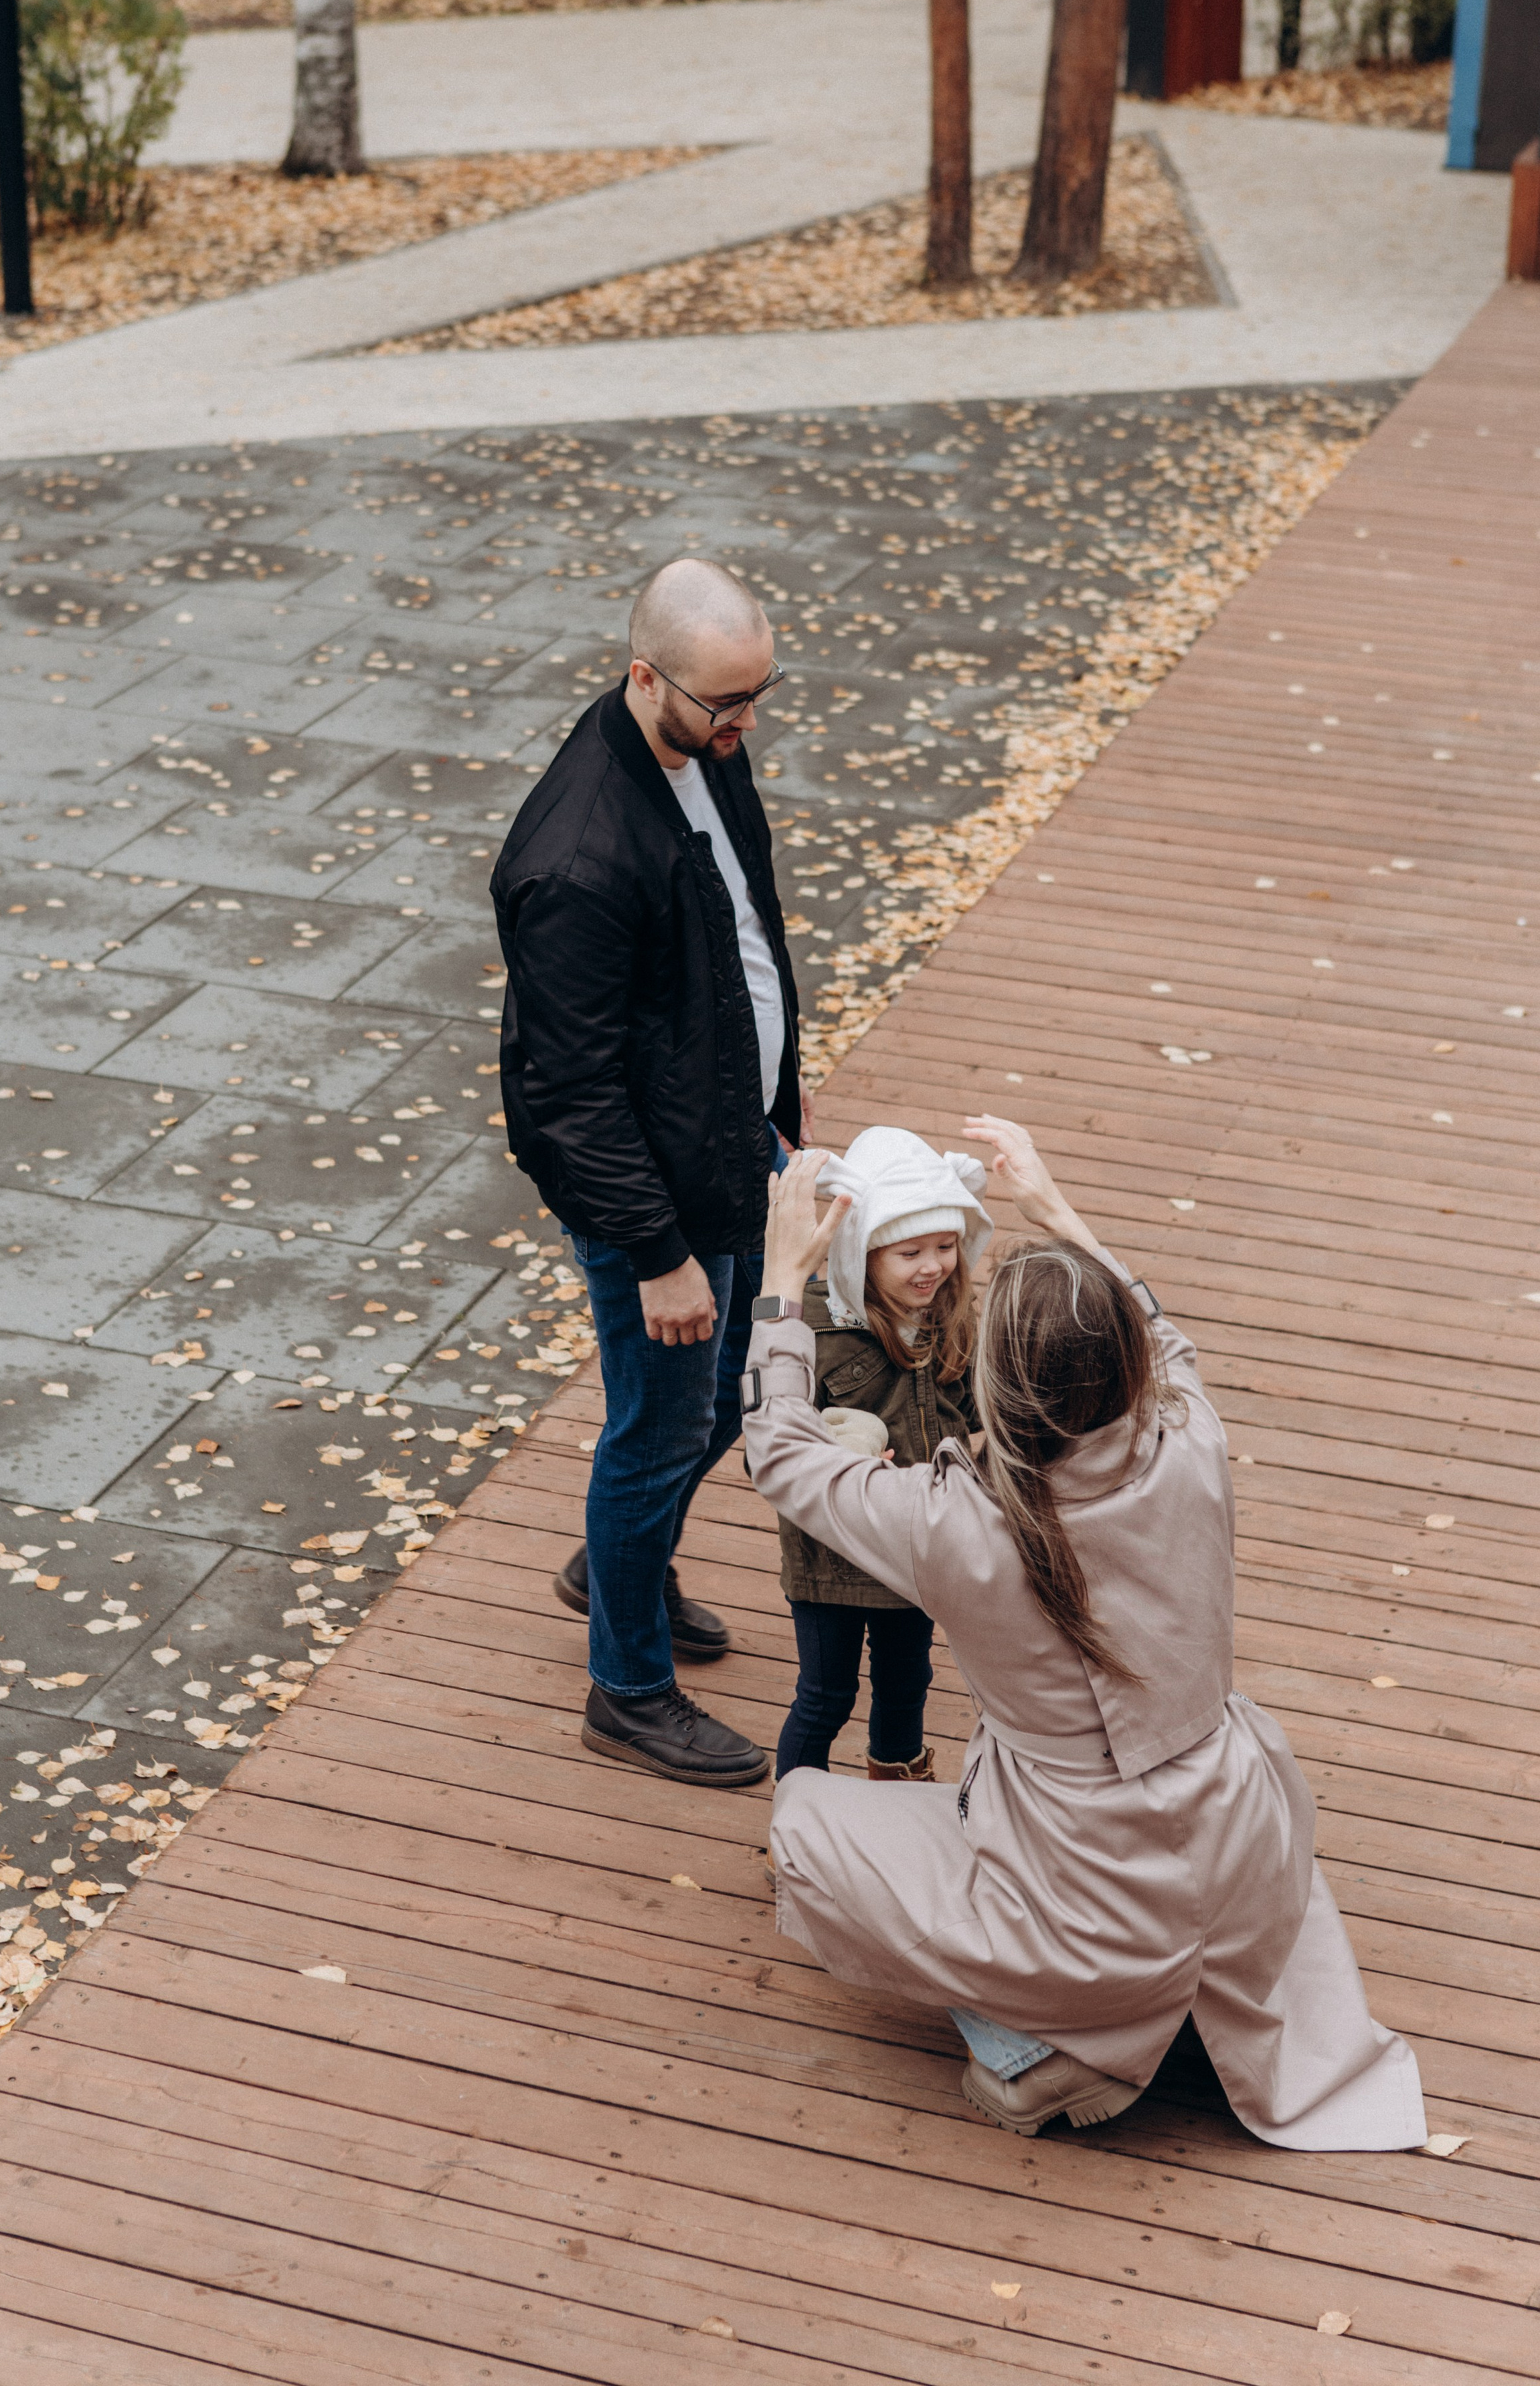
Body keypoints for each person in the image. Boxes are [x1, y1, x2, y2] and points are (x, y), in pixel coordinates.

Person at [740, 1120, 1427, 2149]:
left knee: (804, 1821)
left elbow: (781, 1451)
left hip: (1078, 1888)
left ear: (997, 1386)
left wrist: (778, 1284)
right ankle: (1179, 1996)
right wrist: (1055, 1210)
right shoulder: (1192, 1439)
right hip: (1241, 1834)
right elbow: (1167, 1338)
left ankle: (1047, 2048)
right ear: (1127, 1364)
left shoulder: (951, 1523)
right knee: (1156, 1894)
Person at [491, 556, 810, 1788]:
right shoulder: (578, 857)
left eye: (760, 695)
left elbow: (745, 938)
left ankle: (614, 1566)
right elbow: (565, 1098)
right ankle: (626, 1690)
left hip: (729, 1143)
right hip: (656, 1201)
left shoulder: (703, 753)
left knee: (723, 1400)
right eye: (726, 704)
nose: (746, 727)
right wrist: (658, 1256)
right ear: (645, 677)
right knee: (661, 1428)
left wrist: (777, 1106)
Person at [772, 1126, 991, 1786]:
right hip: (831, 1555)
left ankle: (898, 1787)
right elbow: (768, 1450)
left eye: (945, 1246)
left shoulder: (949, 1316)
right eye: (909, 1252)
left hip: (916, 1545)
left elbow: (975, 1413)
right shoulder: (810, 1330)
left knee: (907, 1680)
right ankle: (800, 1812)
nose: (932, 1267)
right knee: (826, 1694)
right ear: (860, 1252)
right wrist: (830, 1454)